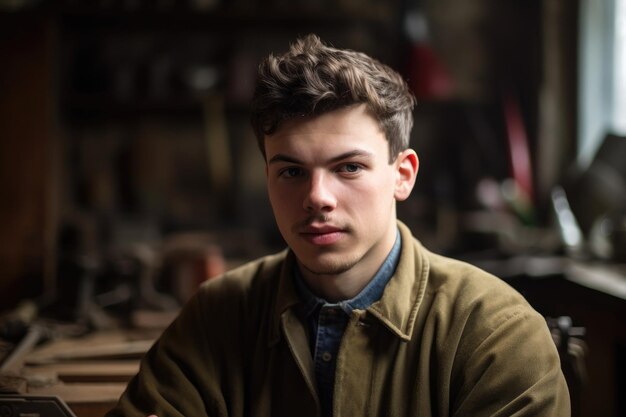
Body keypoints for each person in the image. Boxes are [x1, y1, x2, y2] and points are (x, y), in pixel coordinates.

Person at [106, 34, 570, 417]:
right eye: (291, 171)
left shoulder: (496, 333)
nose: (316, 198)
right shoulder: (218, 313)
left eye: (348, 168)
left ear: (402, 175)